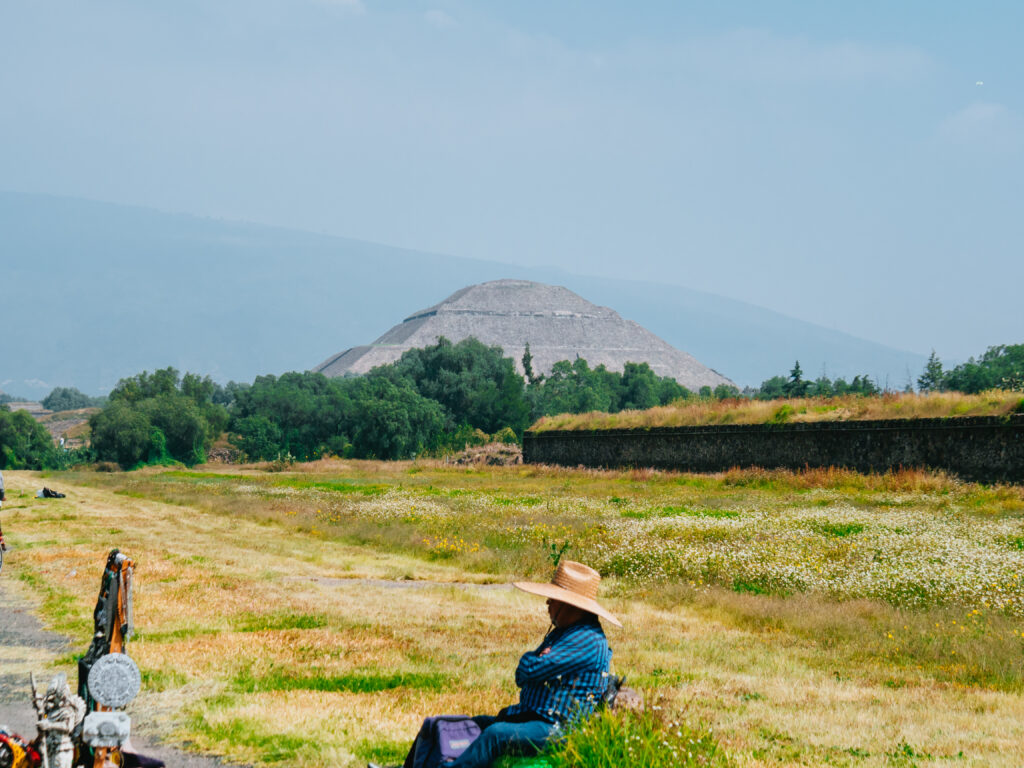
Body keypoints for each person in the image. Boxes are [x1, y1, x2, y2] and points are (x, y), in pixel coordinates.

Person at [372, 560, 621, 768]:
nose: (548, 603)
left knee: (495, 735)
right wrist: (534, 660)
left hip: (558, 728)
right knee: (460, 724)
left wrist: (534, 660)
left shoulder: (587, 640)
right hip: (535, 717)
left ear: (571, 605)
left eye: (553, 599)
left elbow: (529, 668)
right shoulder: (564, 632)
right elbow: (524, 671)